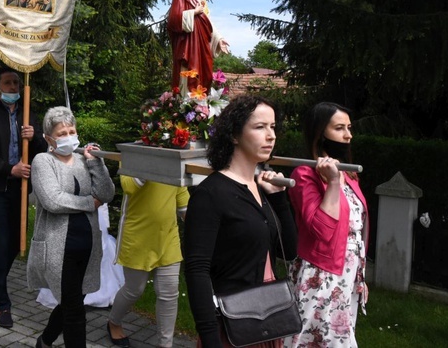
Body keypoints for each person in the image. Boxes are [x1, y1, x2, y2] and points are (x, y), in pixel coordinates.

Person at [183, 95, 297, 348]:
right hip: (232, 325)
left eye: (273, 126)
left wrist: (279, 199)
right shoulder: (210, 194)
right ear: (234, 135)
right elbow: (196, 271)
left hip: (268, 315)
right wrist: (211, 339)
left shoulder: (259, 189)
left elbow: (288, 251)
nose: (271, 135)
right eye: (260, 127)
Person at [28, 106, 115, 348]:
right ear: (49, 138)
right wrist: (90, 203)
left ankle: (45, 340)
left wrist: (96, 164)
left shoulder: (82, 160)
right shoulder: (43, 161)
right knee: (76, 311)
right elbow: (52, 200)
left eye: (71, 131)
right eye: (62, 133)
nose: (68, 136)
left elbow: (106, 194)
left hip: (87, 246)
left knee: (71, 301)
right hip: (58, 249)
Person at [285, 102, 369, 348]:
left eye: (349, 128)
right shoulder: (304, 174)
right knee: (314, 339)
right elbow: (321, 230)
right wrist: (332, 183)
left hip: (349, 271)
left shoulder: (350, 174)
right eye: (340, 128)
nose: (348, 135)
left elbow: (357, 226)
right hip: (320, 271)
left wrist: (361, 278)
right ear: (321, 132)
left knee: (338, 337)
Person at [0, 67, 47, 328]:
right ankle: (1, 302)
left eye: (16, 83)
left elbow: (43, 149)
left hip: (21, 189)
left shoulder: (29, 116)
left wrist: (34, 137)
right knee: (0, 243)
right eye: (8, 83)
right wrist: (9, 168)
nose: (14, 87)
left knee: (16, 242)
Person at [107, 174, 189, 348]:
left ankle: (165, 344)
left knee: (169, 294)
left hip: (168, 238)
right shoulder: (135, 154)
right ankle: (113, 322)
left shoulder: (172, 162)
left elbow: (183, 203)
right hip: (137, 238)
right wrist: (151, 161)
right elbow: (129, 186)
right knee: (134, 290)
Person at [167, 0, 230, 93]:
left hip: (201, 44)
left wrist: (219, 39)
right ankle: (185, 104)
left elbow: (208, 21)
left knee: (203, 73)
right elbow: (173, 20)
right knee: (188, 72)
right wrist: (193, 12)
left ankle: (199, 105)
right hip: (187, 43)